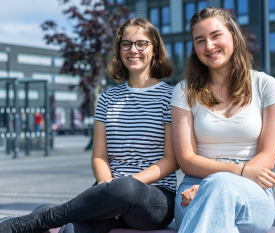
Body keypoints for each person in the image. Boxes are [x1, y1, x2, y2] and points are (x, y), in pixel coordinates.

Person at [0, 17, 178, 233]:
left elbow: (171, 160)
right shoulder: (107, 98)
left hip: (154, 198)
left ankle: (39, 220)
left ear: (155, 49)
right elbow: (99, 156)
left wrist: (118, 189)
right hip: (107, 193)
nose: (133, 50)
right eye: (126, 44)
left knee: (127, 187)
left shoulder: (171, 96)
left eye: (141, 43)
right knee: (71, 230)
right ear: (119, 50)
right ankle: (46, 215)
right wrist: (106, 184)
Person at [171, 7, 275, 233]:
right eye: (200, 40)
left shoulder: (266, 86)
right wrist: (211, 186)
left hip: (252, 190)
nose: (209, 46)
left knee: (218, 190)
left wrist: (214, 186)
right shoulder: (184, 91)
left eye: (216, 36)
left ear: (233, 36)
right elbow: (186, 159)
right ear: (195, 49)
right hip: (192, 189)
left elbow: (267, 156)